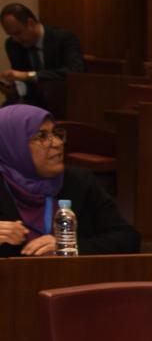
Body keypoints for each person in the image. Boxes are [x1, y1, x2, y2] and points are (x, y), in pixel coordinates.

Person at [0, 105, 138, 256]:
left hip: (74, 277)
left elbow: (128, 238)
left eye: (56, 134)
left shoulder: (79, 181)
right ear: (12, 145)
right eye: (41, 136)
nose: (58, 143)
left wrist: (69, 246)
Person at [1, 3, 85, 110]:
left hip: (66, 103)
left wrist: (29, 75)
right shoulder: (13, 45)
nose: (15, 39)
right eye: (11, 35)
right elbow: (23, 85)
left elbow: (76, 71)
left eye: (18, 33)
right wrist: (12, 89)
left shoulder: (63, 38)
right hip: (31, 104)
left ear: (30, 23)